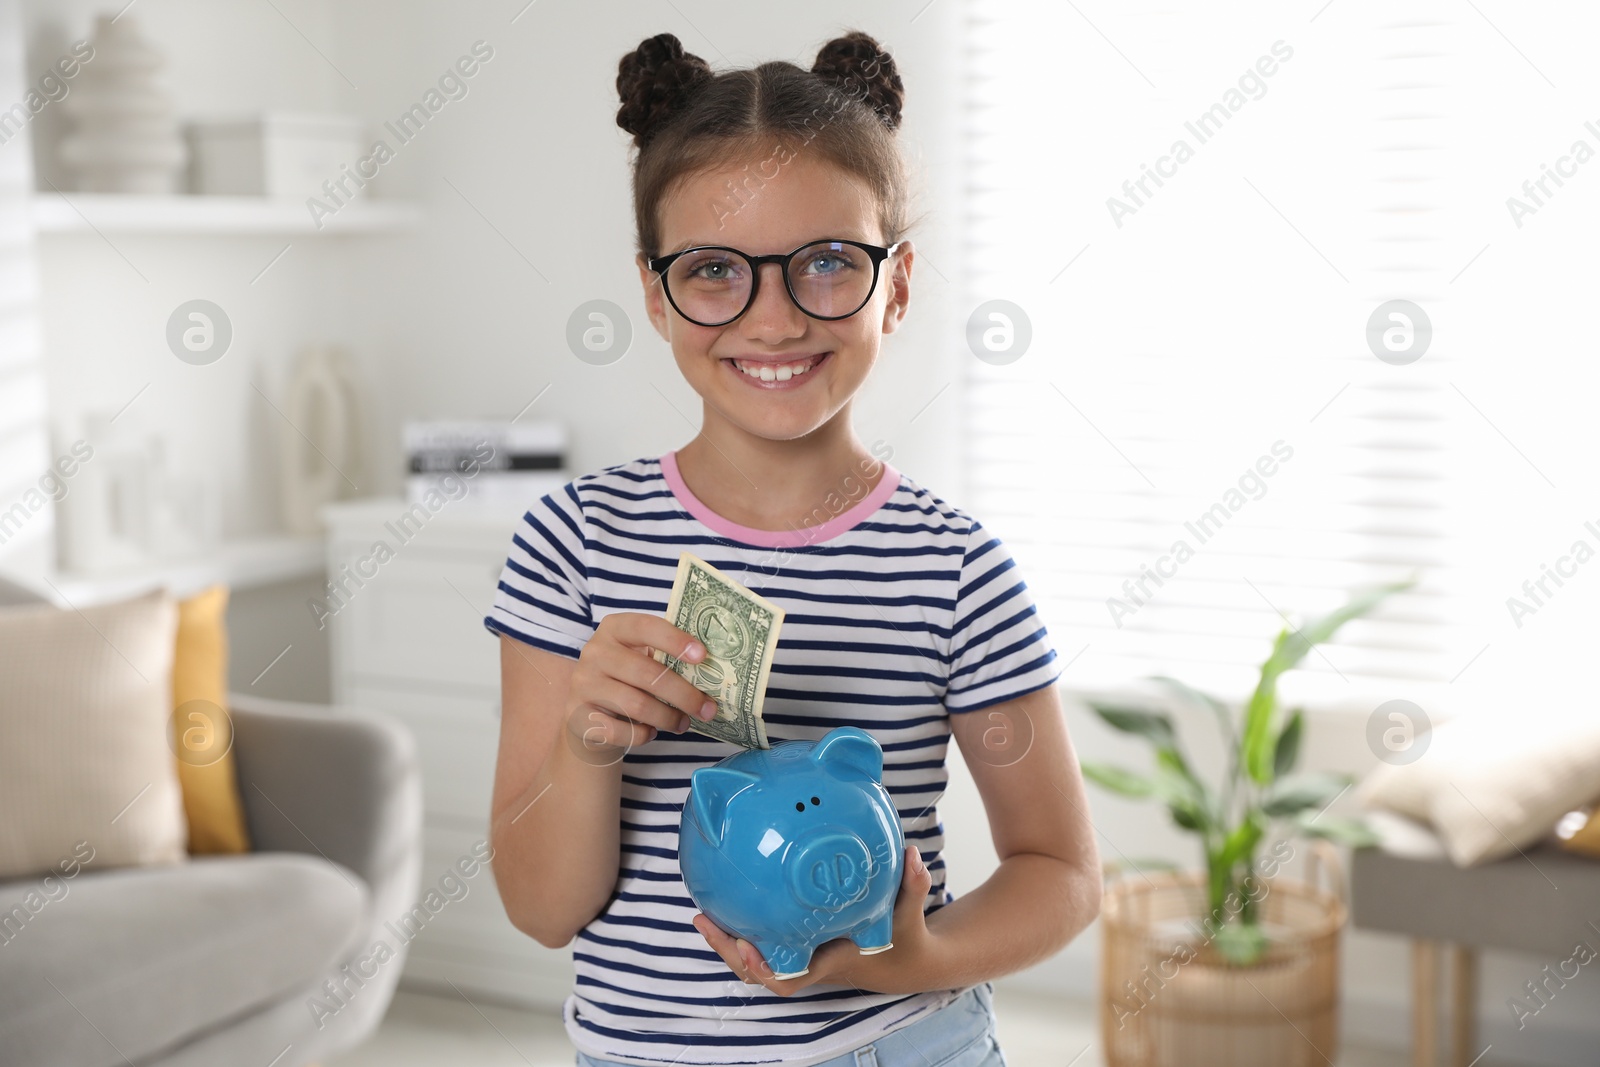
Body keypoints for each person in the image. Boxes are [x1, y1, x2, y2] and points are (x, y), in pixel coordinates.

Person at [483, 29, 1101, 1067]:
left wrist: (901, 959)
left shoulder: (954, 570)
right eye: (715, 270)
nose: (772, 319)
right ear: (653, 290)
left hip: (905, 1042)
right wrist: (585, 744)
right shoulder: (574, 543)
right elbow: (543, 909)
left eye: (825, 262)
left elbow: (1062, 872)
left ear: (895, 284)